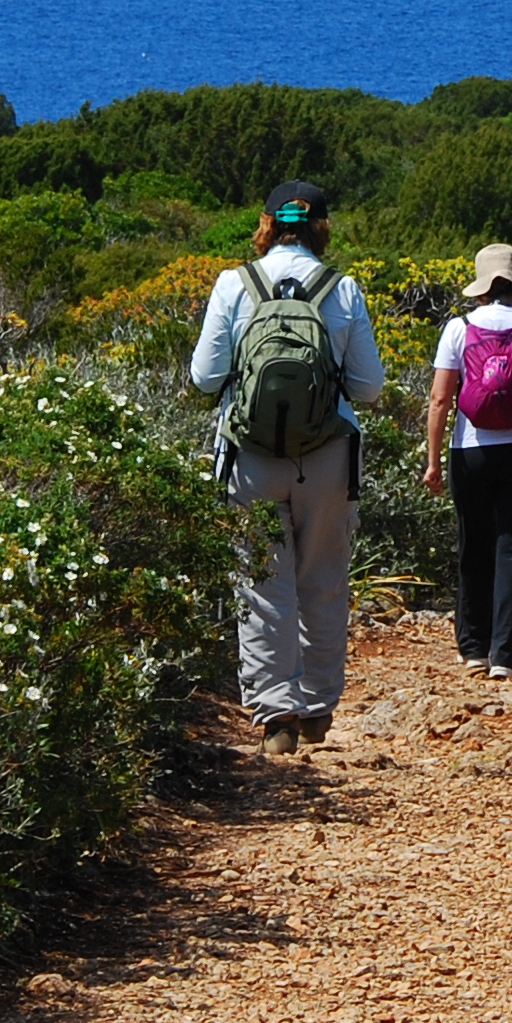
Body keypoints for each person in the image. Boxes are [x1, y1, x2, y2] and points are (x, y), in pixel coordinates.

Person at [187, 180, 388, 751]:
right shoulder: (342, 289)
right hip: (326, 457)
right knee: (322, 579)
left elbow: (203, 377)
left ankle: (276, 715)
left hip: (249, 456)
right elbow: (370, 388)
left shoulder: (234, 283)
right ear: (323, 226)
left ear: (267, 223)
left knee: (261, 586)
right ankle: (318, 707)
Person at [424, 240, 512, 681]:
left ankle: (473, 649)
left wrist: (432, 460)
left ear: (481, 287)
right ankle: (506, 656)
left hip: (472, 450)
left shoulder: (458, 329)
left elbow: (441, 398)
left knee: (474, 545)